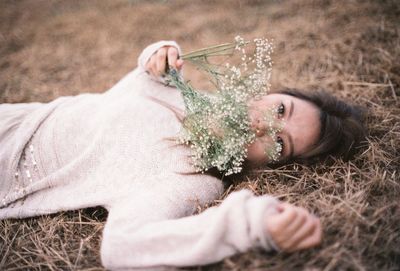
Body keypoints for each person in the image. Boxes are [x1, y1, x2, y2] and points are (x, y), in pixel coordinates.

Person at [0, 41, 365, 270]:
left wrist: (247, 223)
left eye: (280, 144)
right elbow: (135, 82)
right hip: (16, 114)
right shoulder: (183, 88)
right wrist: (157, 55)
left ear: (271, 163)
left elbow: (124, 247)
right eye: (281, 109)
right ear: (269, 93)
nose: (264, 125)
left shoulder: (191, 178)